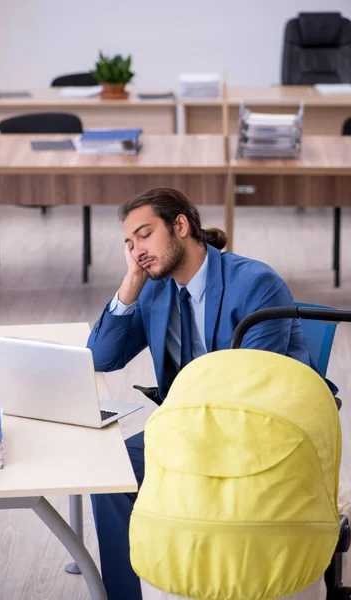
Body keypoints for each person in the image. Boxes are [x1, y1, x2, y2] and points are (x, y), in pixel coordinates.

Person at [87, 187, 334, 600]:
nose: (137, 251)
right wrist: (131, 281)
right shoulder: (153, 288)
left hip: (257, 432)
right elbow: (102, 356)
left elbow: (254, 389)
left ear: (180, 225)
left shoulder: (256, 284)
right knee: (112, 472)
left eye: (144, 236)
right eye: (129, 244)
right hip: (189, 426)